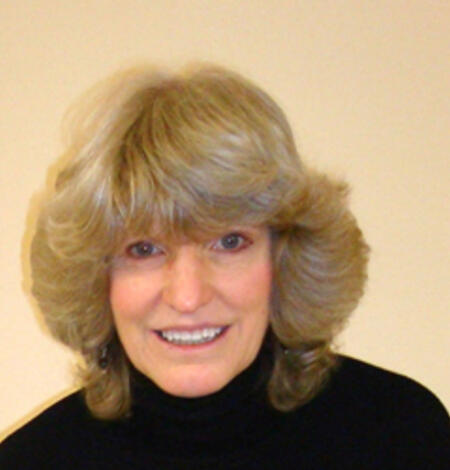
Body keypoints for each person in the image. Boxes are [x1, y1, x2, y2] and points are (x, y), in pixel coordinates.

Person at [1, 64, 448, 469]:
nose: (188, 296)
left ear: (286, 259)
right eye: (143, 249)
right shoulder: (31, 461)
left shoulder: (401, 436)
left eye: (229, 243)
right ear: (95, 278)